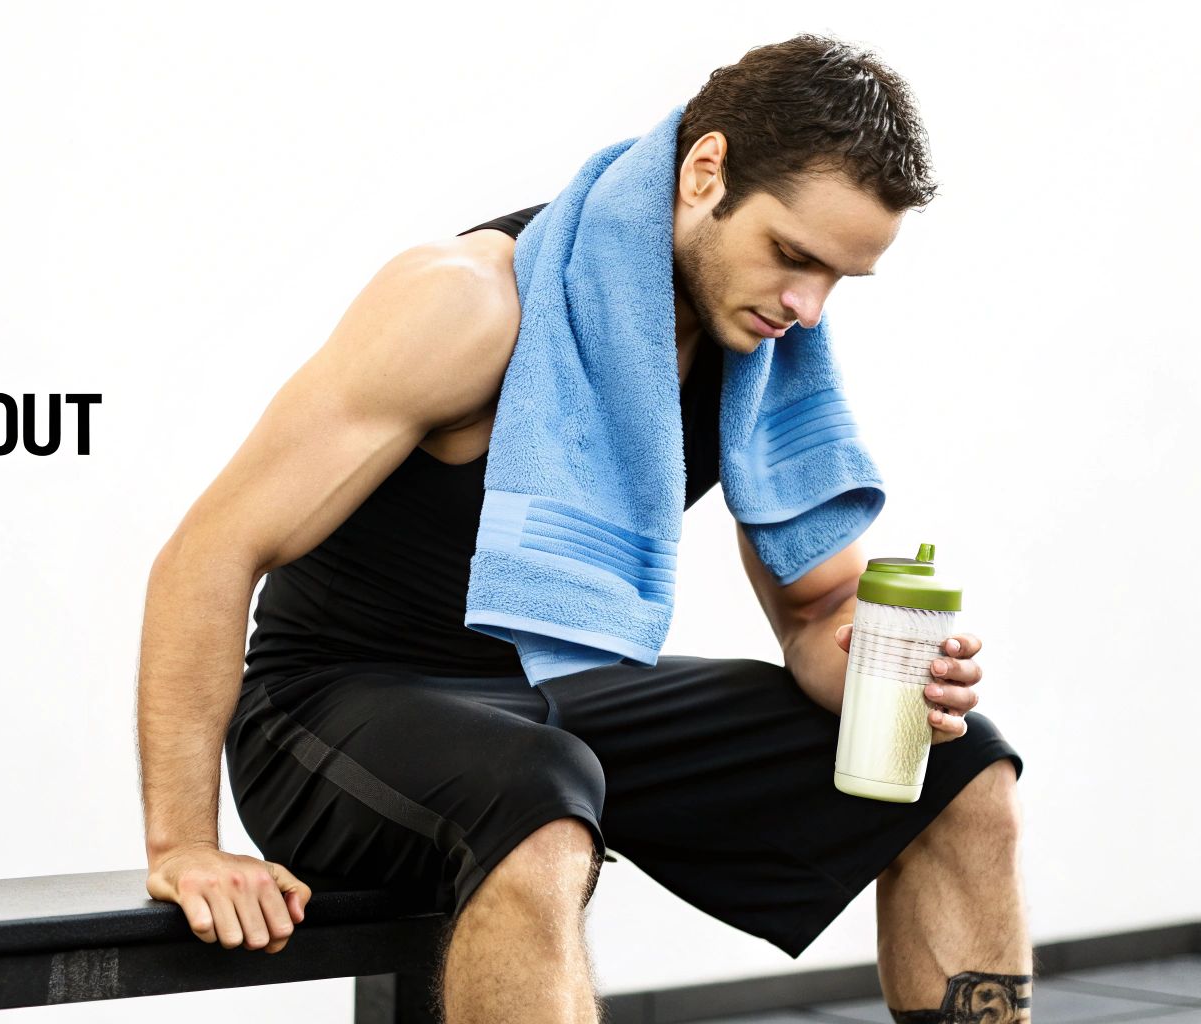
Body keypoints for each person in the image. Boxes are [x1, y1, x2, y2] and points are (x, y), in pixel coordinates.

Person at [136, 33, 1030, 1024]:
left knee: (961, 769)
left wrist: (880, 672)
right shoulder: (468, 303)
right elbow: (208, 552)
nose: (806, 307)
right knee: (538, 795)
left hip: (549, 693)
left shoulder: (757, 344)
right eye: (792, 256)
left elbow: (818, 611)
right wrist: (185, 846)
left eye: (836, 279)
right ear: (705, 172)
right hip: (329, 705)